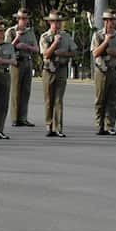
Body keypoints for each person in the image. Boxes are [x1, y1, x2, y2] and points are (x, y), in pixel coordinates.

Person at [39, 10, 77, 138]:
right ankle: (49, 126)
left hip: (61, 68)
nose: (57, 24)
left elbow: (73, 51)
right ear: (50, 22)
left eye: (59, 22)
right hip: (49, 70)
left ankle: (58, 127)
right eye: (54, 21)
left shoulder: (66, 36)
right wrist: (55, 43)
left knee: (58, 99)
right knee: (49, 99)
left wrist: (63, 53)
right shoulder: (45, 37)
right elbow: (46, 54)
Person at [92, 8, 116, 135]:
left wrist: (115, 54)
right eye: (111, 20)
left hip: (115, 70)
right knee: (100, 99)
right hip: (102, 71)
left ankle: (110, 126)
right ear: (105, 22)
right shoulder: (98, 35)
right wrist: (106, 41)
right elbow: (95, 53)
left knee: (113, 100)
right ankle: (100, 125)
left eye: (114, 20)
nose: (113, 22)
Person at [5, 8, 39, 127]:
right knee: (16, 90)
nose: (23, 21)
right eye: (21, 19)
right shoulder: (11, 31)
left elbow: (36, 49)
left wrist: (26, 46)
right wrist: (16, 39)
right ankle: (15, 118)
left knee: (26, 91)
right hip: (16, 62)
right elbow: (6, 48)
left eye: (25, 19)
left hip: (27, 61)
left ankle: (23, 117)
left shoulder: (30, 32)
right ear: (17, 19)